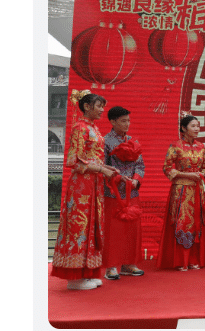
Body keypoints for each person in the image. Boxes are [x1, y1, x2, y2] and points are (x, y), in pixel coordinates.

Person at [52, 92, 118, 290]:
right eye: (99, 106)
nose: (102, 110)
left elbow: (92, 157)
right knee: (79, 227)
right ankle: (74, 278)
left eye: (103, 106)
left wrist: (105, 167)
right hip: (81, 186)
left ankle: (87, 273)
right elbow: (74, 161)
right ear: (87, 106)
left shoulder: (93, 128)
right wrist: (102, 170)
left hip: (94, 184)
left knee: (92, 226)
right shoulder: (80, 128)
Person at [158, 114, 205, 271]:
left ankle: (194, 259)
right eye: (193, 126)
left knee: (197, 222)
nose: (197, 129)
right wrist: (187, 175)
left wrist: (202, 174)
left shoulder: (201, 146)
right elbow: (167, 169)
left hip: (197, 190)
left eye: (198, 126)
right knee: (183, 222)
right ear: (183, 128)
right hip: (181, 190)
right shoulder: (175, 146)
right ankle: (181, 260)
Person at [103, 105, 145, 280]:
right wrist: (118, 178)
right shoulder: (105, 142)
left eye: (128, 120)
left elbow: (140, 165)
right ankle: (111, 266)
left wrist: (136, 179)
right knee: (114, 230)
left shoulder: (133, 141)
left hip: (131, 192)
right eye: (123, 121)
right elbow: (102, 166)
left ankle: (129, 264)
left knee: (131, 229)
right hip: (113, 192)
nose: (127, 124)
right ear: (113, 122)